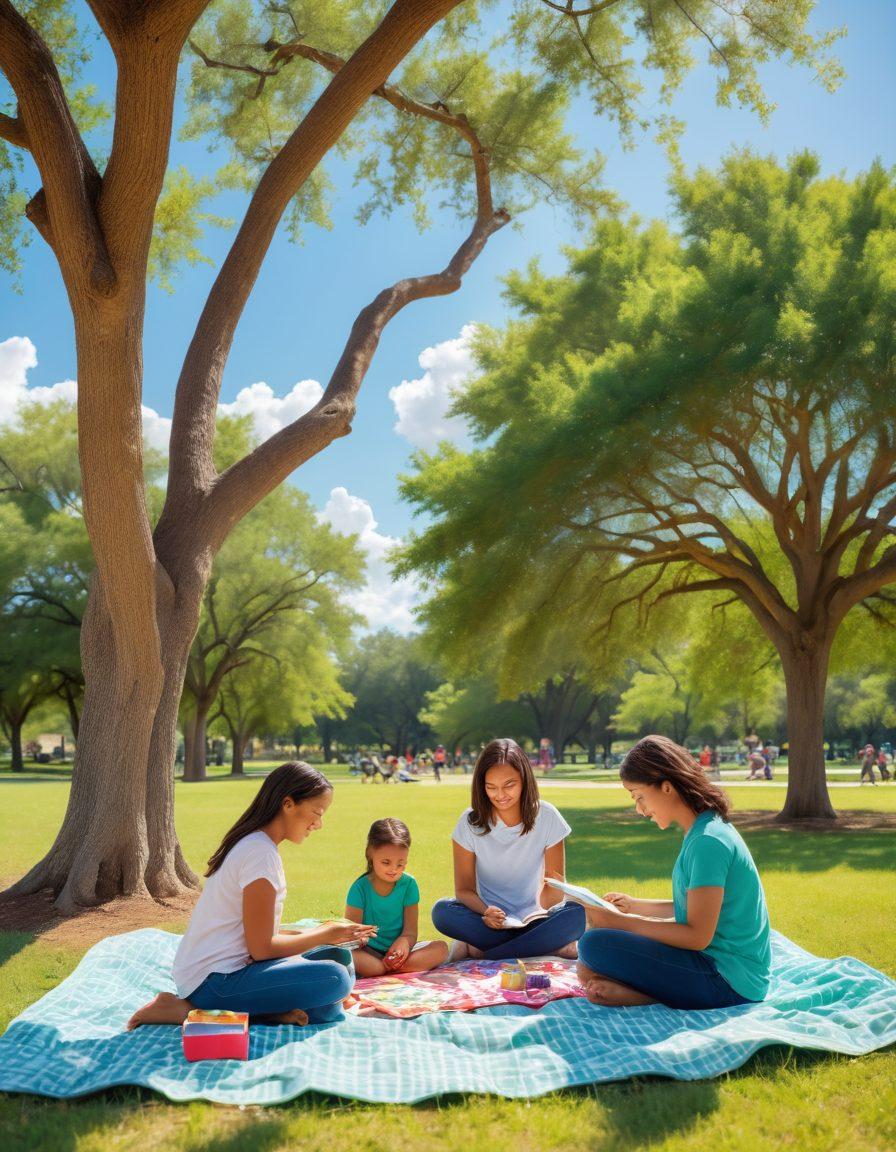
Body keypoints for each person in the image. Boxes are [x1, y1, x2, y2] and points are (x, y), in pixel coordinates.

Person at [126, 762, 375, 1030]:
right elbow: (262, 949)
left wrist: (327, 932)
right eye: (317, 812)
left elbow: (257, 933)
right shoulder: (259, 855)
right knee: (335, 979)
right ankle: (189, 1009)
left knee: (339, 958)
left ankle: (276, 1011)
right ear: (288, 804)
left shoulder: (257, 845)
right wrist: (325, 934)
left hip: (231, 971)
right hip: (215, 982)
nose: (319, 824)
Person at [575, 735, 771, 1010]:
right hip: (719, 968)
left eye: (639, 796)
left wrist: (620, 921)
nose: (640, 809)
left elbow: (697, 935)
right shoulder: (703, 829)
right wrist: (634, 906)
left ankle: (649, 995)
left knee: (593, 945)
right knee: (587, 966)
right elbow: (696, 909)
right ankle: (650, 992)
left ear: (666, 787)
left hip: (729, 981)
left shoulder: (707, 841)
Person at [431, 737, 585, 961]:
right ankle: (543, 947)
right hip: (489, 920)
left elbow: (555, 888)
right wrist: (485, 912)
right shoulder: (469, 823)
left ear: (524, 780)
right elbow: (464, 890)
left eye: (509, 785)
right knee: (442, 912)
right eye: (491, 787)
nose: (500, 795)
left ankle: (486, 952)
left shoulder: (548, 816)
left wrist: (544, 906)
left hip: (537, 919)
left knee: (575, 915)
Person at [345, 818, 448, 976]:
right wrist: (361, 939)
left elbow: (411, 932)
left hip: (400, 953)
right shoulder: (359, 889)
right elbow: (351, 940)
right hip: (368, 953)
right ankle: (385, 969)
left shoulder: (409, 885)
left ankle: (389, 968)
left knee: (441, 949)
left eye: (400, 864)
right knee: (350, 956)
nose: (393, 869)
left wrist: (404, 942)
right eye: (386, 862)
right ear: (370, 854)